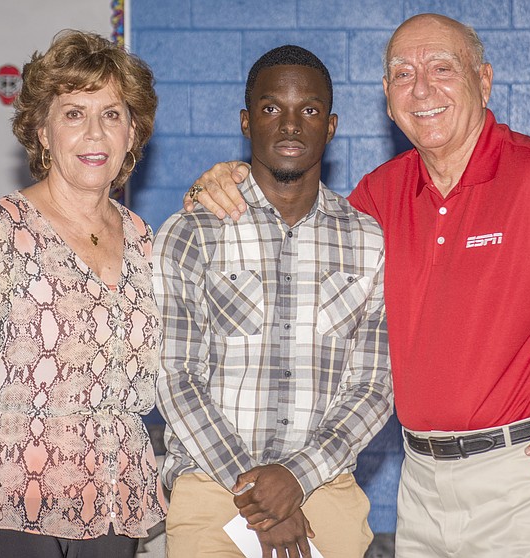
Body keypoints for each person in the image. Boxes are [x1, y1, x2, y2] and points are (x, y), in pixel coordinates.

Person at [183, 13, 530, 558]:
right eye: (404, 74)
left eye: (442, 68)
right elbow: (287, 236)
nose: (423, 89)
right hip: (424, 487)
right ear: (387, 96)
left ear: (483, 81)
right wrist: (226, 178)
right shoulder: (379, 197)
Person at [0, 30, 166, 558]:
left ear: (132, 133)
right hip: (11, 505)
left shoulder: (146, 240)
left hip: (112, 504)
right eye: (74, 113)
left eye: (112, 114)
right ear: (42, 132)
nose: (95, 133)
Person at [152, 45, 392, 558]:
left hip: (326, 490)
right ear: (246, 122)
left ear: (330, 127)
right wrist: (255, 494)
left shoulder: (369, 241)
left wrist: (295, 478)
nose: (289, 125)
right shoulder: (191, 233)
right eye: (270, 109)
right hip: (213, 489)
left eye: (308, 110)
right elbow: (176, 378)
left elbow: (374, 385)